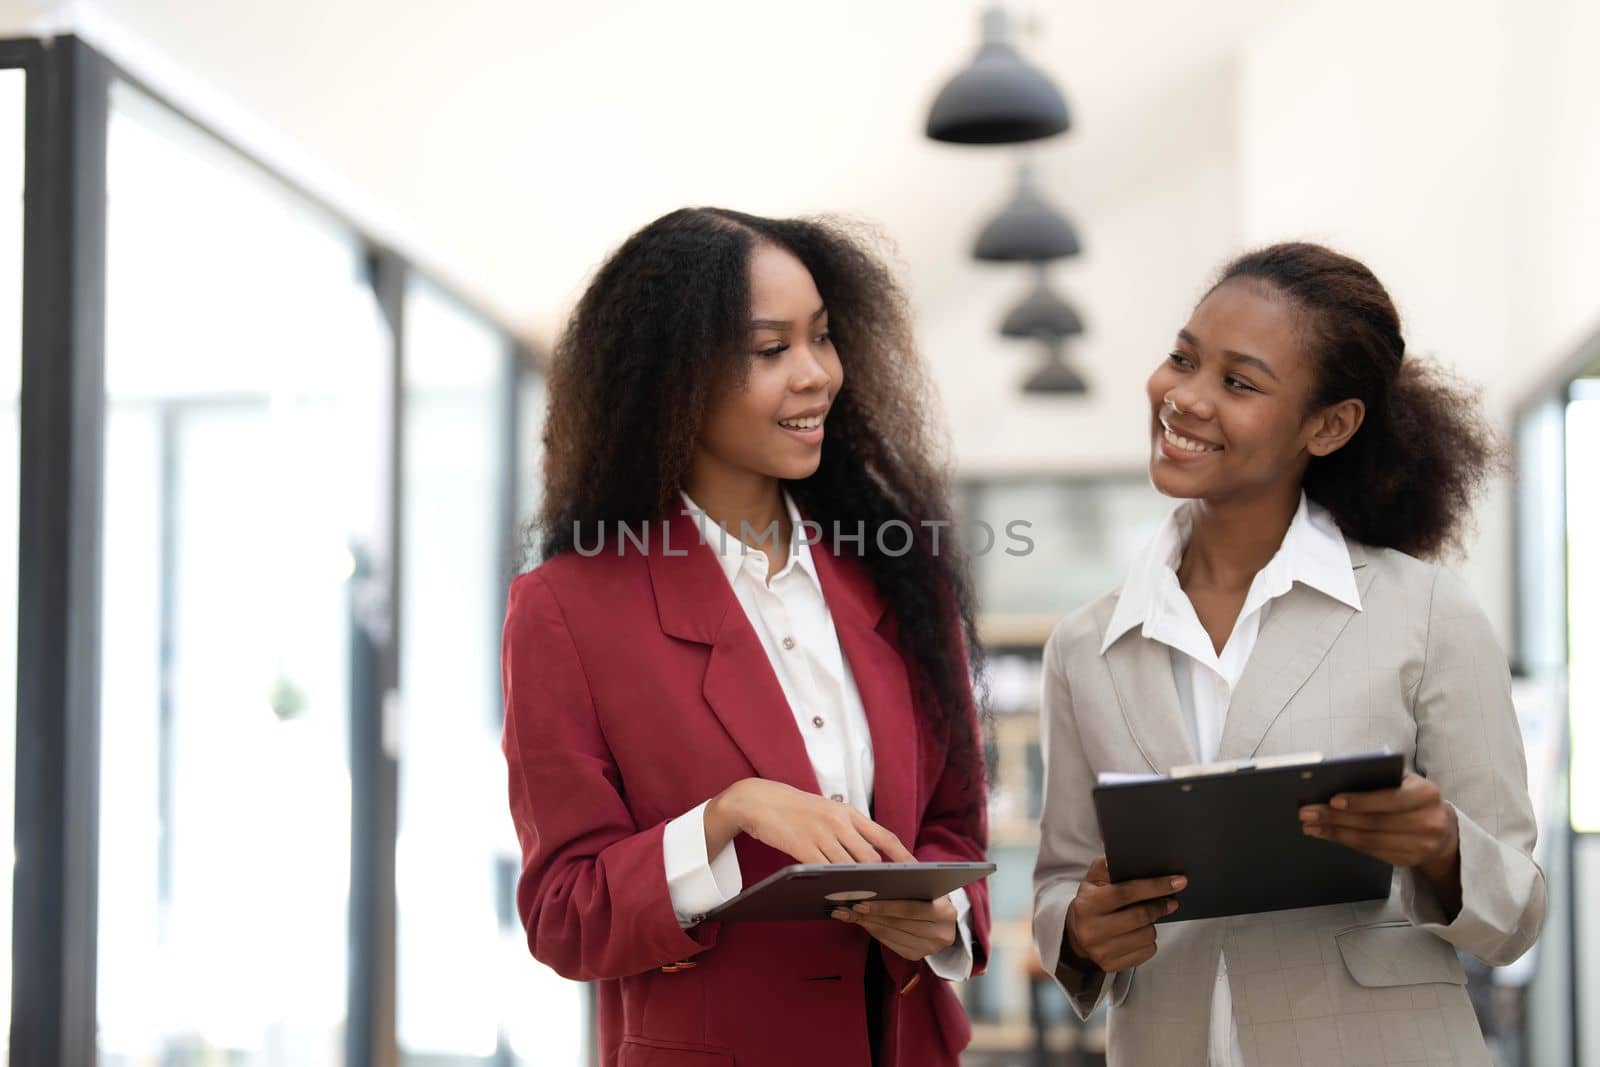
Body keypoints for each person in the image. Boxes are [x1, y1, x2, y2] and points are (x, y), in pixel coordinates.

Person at [1032, 242, 1545, 1066]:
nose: (1185, 397)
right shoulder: (1086, 644)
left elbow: (1517, 913)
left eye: (1238, 382)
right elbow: (1061, 878)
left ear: (1330, 424)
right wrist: (1081, 931)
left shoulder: (1427, 613)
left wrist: (1440, 843)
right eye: (1183, 358)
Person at [501, 207, 990, 1067]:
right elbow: (564, 914)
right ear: (670, 380)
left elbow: (954, 829)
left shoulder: (899, 576)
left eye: (824, 338)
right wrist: (727, 817)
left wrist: (941, 918)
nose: (817, 376)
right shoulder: (568, 610)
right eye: (771, 350)